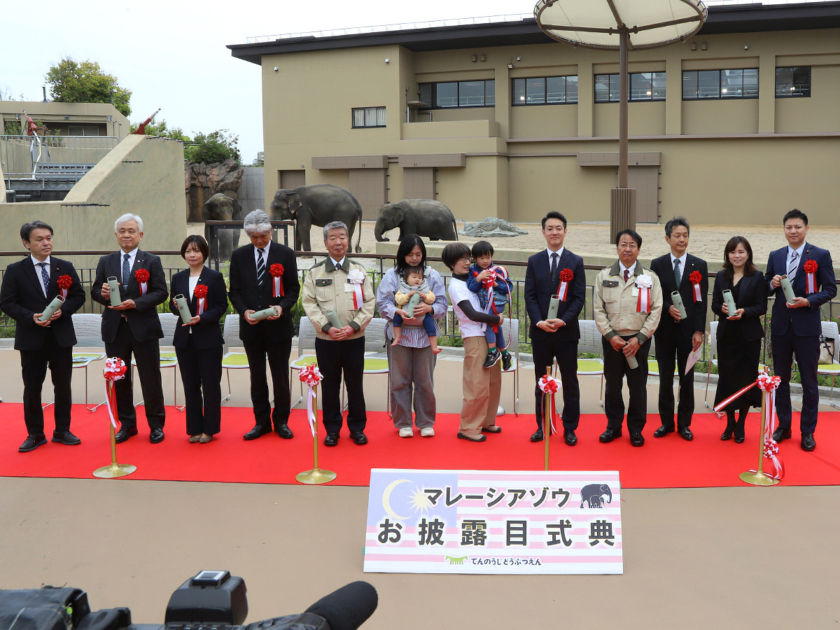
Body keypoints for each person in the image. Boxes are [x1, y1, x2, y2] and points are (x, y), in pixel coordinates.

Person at [0, 221, 86, 452]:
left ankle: (62, 430)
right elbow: (7, 302)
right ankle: (35, 434)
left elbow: (78, 296)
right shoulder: (15, 270)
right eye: (40, 239)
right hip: (31, 337)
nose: (46, 242)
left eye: (49, 237)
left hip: (60, 337)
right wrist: (30, 317)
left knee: (63, 386)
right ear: (26, 243)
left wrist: (63, 310)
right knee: (32, 387)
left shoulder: (64, 266)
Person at [91, 214, 168, 443]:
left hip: (144, 327)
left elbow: (161, 292)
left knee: (150, 378)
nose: (127, 235)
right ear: (116, 235)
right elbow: (95, 291)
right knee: (120, 377)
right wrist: (103, 295)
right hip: (115, 328)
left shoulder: (151, 261)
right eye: (122, 231)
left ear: (140, 235)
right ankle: (127, 424)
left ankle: (156, 425)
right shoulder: (106, 261)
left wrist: (136, 303)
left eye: (131, 231)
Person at [765, 209, 836, 451]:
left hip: (806, 327)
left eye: (797, 227)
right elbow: (765, 287)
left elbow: (830, 289)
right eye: (788, 227)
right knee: (780, 380)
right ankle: (784, 425)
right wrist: (771, 284)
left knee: (809, 382)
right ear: (784, 229)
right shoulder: (775, 255)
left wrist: (809, 301)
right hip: (781, 327)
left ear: (806, 228)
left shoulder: (820, 255)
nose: (793, 231)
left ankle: (808, 431)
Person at [229, 210, 300, 441]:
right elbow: (235, 291)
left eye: (263, 236)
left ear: (271, 232)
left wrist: (282, 307)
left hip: (278, 327)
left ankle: (281, 421)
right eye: (254, 237)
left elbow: (292, 289)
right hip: (251, 327)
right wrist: (244, 311)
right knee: (257, 376)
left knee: (280, 376)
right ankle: (261, 422)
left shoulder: (285, 253)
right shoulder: (239, 256)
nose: (259, 241)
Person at [302, 221, 374, 446]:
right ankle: (332, 429)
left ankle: (357, 428)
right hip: (327, 340)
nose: (338, 242)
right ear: (325, 243)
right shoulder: (315, 272)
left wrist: (354, 325)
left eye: (342, 237)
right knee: (330, 386)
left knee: (355, 384)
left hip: (354, 338)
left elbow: (369, 302)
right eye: (332, 238)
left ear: (348, 240)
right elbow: (309, 303)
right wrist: (326, 327)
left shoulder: (358, 271)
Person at [593, 229, 663, 447]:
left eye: (632, 245)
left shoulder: (650, 278)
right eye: (623, 244)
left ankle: (636, 429)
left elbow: (656, 309)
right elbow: (598, 309)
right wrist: (610, 335)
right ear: (617, 248)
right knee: (612, 386)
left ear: (639, 249)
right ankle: (613, 427)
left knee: (638, 387)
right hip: (612, 341)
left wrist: (640, 338)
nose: (627, 249)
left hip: (638, 342)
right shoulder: (604, 276)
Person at [376, 235, 448, 438]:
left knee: (425, 380)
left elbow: (443, 304)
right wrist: (397, 312)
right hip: (399, 334)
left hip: (425, 336)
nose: (415, 258)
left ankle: (426, 422)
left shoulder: (431, 275)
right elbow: (382, 304)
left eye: (418, 254)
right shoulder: (392, 275)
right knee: (400, 380)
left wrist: (430, 308)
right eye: (410, 254)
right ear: (402, 254)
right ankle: (403, 423)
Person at [524, 211, 586, 445]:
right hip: (541, 332)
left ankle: (570, 427)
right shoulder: (534, 261)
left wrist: (564, 320)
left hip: (566, 333)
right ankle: (543, 426)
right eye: (550, 228)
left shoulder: (576, 261)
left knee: (570, 380)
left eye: (558, 228)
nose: (554, 232)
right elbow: (529, 296)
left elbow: (579, 298)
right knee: (542, 380)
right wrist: (539, 321)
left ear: (565, 231)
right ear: (543, 232)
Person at [649, 217, 709, 441]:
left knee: (687, 378)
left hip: (688, 332)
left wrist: (699, 331)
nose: (682, 239)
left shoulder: (699, 265)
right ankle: (666, 423)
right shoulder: (657, 264)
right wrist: (667, 308)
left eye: (685, 235)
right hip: (665, 331)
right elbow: (655, 297)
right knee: (665, 378)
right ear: (667, 238)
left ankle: (684, 423)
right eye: (677, 235)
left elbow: (700, 303)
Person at [443, 242, 504, 442]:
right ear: (452, 264)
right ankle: (468, 427)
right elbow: (471, 313)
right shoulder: (456, 286)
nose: (467, 262)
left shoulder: (471, 279)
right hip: (474, 335)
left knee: (493, 381)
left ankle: (487, 421)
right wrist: (497, 319)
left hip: (489, 334)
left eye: (468, 258)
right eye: (462, 259)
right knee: (476, 383)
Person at [169, 236, 228, 443]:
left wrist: (201, 318)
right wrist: (177, 307)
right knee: (190, 385)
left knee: (210, 385)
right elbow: (171, 305)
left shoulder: (214, 277)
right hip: (184, 340)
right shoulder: (178, 278)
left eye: (196, 251)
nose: (192, 255)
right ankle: (193, 428)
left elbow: (222, 306)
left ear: (204, 253)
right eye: (188, 251)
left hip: (208, 339)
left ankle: (210, 429)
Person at [712, 237, 767, 442]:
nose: (737, 255)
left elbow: (762, 307)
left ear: (748, 254)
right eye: (733, 252)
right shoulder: (720, 276)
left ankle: (742, 423)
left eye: (741, 252)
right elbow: (715, 305)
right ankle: (730, 423)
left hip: (748, 338)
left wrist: (744, 311)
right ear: (727, 254)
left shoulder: (757, 276)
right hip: (727, 337)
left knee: (746, 381)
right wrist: (722, 309)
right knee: (727, 380)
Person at [466, 241, 513, 370]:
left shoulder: (497, 270)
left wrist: (496, 285)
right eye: (481, 258)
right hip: (485, 304)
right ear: (474, 258)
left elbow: (509, 287)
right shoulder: (473, 271)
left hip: (497, 304)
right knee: (495, 327)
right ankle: (505, 353)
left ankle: (492, 351)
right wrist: (479, 278)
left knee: (487, 324)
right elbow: (471, 287)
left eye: (488, 257)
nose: (486, 261)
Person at [391, 266, 441, 354]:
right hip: (405, 312)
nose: (417, 280)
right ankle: (397, 337)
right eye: (414, 277)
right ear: (406, 278)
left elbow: (432, 298)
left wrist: (426, 297)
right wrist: (407, 296)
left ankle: (434, 347)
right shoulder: (402, 288)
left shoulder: (425, 288)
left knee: (431, 326)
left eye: (420, 277)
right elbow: (398, 299)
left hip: (423, 315)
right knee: (396, 319)